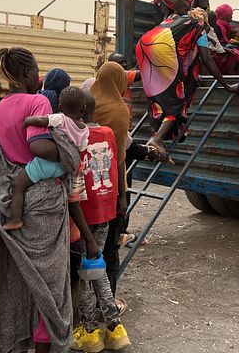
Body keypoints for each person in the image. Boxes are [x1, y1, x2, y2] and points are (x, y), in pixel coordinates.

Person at [0, 47, 73, 352]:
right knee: (50, 284)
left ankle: (15, 342)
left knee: (18, 282)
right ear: (25, 74)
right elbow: (39, 146)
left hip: (9, 206)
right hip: (44, 204)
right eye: (36, 70)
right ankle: (47, 343)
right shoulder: (39, 102)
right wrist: (69, 154)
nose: (39, 75)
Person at [136, 1, 236, 158]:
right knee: (177, 101)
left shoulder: (172, 20)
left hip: (144, 45)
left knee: (158, 99)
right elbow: (206, 58)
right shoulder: (198, 27)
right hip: (164, 49)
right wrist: (226, 85)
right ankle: (157, 139)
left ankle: (156, 135)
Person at [72, 91, 131, 352]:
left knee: (85, 273)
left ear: (80, 110)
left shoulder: (77, 138)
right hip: (105, 212)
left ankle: (90, 332)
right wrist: (120, 197)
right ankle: (115, 329)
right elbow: (117, 166)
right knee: (97, 269)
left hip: (84, 217)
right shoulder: (108, 133)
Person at [3, 86, 90, 231]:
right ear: (83, 110)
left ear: (60, 107)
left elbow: (42, 120)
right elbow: (81, 149)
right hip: (63, 168)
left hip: (46, 164)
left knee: (18, 185)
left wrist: (27, 120)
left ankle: (15, 219)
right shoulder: (84, 129)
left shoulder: (61, 119)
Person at [89, 62, 130, 304]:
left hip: (85, 187)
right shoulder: (120, 110)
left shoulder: (88, 104)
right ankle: (108, 301)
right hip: (109, 186)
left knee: (86, 247)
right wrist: (122, 195)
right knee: (109, 249)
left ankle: (84, 305)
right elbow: (121, 157)